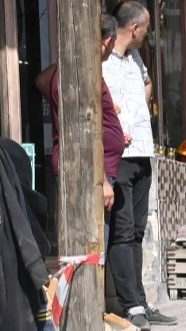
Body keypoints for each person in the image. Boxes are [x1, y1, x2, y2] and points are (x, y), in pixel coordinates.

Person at [104, 0, 177, 331]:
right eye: (146, 28)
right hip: (118, 158)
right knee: (121, 232)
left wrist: (138, 111)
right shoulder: (103, 60)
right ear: (134, 28)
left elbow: (146, 84)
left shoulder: (135, 58)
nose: (147, 34)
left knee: (136, 231)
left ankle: (140, 302)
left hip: (142, 153)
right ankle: (129, 305)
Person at [36, 14, 128, 214]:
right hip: (89, 170)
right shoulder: (82, 73)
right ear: (107, 41)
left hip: (93, 167)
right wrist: (102, 181)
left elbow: (41, 81)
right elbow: (84, 129)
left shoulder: (71, 68)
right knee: (92, 233)